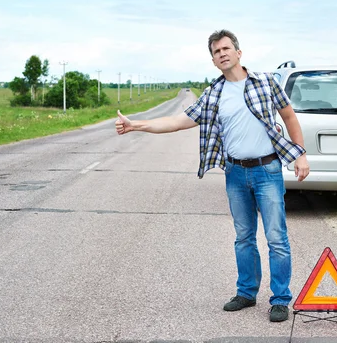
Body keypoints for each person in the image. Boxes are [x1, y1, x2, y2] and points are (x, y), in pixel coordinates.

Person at [115, 29, 310, 322]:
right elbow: (178, 121)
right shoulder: (213, 93)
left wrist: (301, 154)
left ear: (239, 52)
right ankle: (246, 293)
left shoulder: (267, 82)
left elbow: (289, 117)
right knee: (243, 237)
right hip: (234, 172)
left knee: (276, 237)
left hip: (267, 170)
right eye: (216, 51)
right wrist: (135, 125)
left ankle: (280, 299)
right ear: (213, 60)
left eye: (226, 48)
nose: (222, 53)